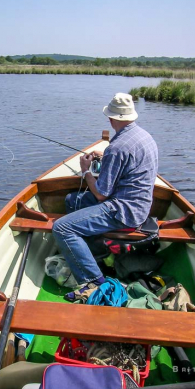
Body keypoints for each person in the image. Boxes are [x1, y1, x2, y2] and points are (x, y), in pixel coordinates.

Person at [52, 92, 158, 302]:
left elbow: (101, 194)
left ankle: (94, 282)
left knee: (61, 228)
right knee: (72, 201)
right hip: (140, 206)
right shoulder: (145, 136)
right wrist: (106, 158)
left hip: (123, 212)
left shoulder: (117, 148)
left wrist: (85, 171)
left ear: (111, 119)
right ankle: (94, 253)